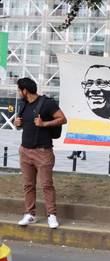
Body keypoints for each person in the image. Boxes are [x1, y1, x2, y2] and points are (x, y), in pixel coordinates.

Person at [14, 77, 67, 229]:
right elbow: (23, 124)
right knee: (28, 185)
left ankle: (51, 215)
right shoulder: (24, 105)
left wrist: (44, 124)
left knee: (47, 185)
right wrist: (17, 124)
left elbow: (63, 119)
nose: (19, 93)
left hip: (43, 151)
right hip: (25, 151)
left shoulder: (47, 103)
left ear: (25, 90)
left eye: (20, 90)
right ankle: (30, 214)